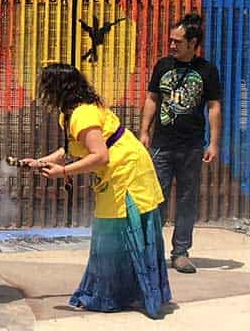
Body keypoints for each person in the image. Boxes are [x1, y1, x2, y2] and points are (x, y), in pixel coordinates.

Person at [22, 63, 171, 318]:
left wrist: (64, 172)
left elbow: (100, 156)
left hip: (128, 171)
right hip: (114, 172)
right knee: (108, 233)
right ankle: (115, 293)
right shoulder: (68, 114)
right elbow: (71, 149)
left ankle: (130, 294)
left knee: (120, 231)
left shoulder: (84, 114)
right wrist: (41, 161)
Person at [139, 12, 223, 274]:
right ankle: (152, 252)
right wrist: (144, 131)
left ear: (192, 42)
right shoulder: (163, 66)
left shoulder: (207, 71)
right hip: (162, 145)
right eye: (171, 40)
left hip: (191, 146)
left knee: (188, 200)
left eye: (177, 41)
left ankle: (181, 252)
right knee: (156, 199)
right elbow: (152, 99)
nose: (172, 45)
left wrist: (214, 143)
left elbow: (214, 107)